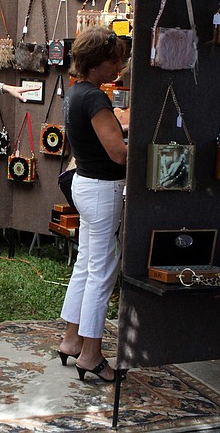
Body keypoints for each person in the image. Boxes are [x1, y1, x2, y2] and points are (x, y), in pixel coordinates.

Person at [57, 26, 129, 383]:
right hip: (103, 189)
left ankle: (72, 340)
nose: (119, 67)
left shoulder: (76, 93)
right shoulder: (96, 99)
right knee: (101, 272)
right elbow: (118, 154)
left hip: (86, 183)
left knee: (86, 265)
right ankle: (91, 353)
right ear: (96, 62)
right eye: (114, 61)